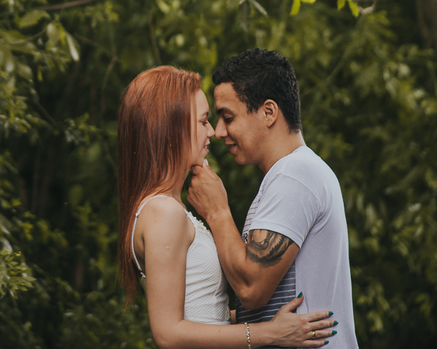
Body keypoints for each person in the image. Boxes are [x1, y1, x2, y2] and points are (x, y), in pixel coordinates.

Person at [118, 65, 339, 349]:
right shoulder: (164, 213)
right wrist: (268, 332)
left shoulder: (170, 209)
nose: (212, 131)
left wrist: (270, 324)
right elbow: (168, 333)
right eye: (203, 121)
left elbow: (205, 313)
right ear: (170, 128)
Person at [188, 49, 358, 349]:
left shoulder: (294, 175)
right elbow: (261, 309)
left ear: (269, 112)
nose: (219, 131)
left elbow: (252, 289)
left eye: (228, 117)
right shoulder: (292, 174)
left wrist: (217, 212)